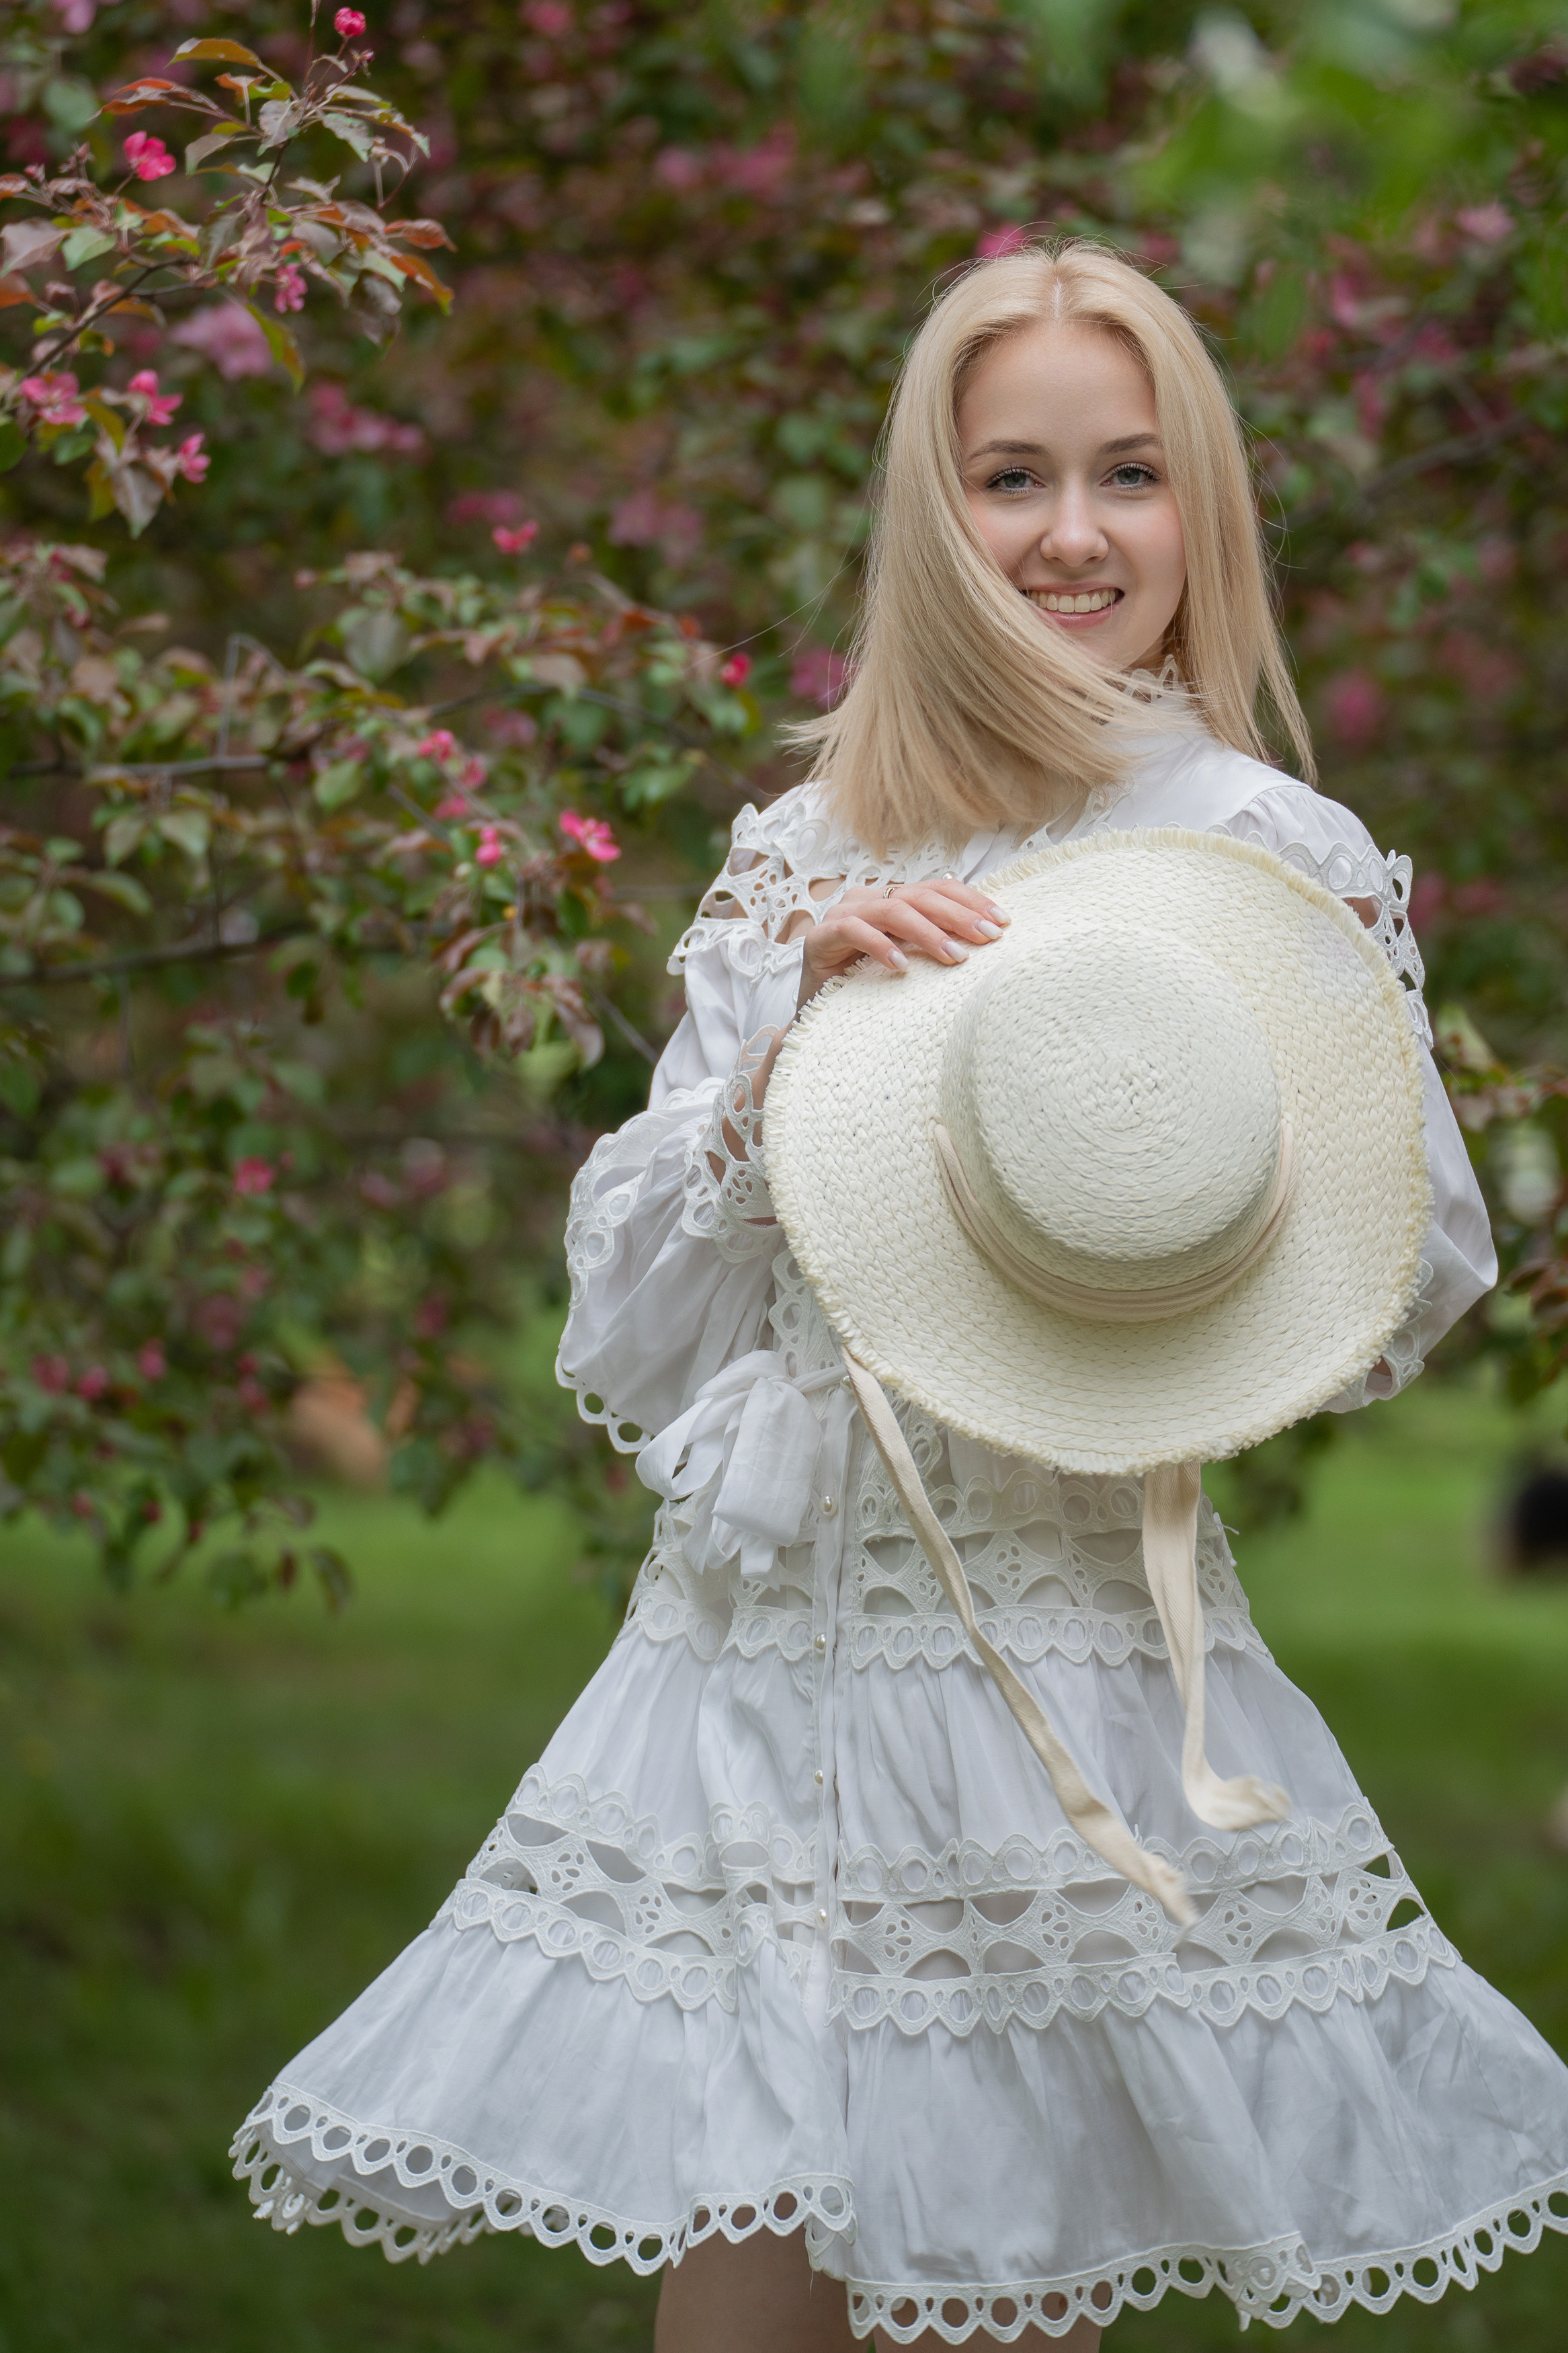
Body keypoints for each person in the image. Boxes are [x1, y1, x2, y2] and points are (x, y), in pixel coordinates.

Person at [233, 245, 1568, 2346]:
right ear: (931, 514)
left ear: (1197, 510)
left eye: (1128, 474)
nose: (1070, 532)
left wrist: (1165, 1246)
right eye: (1009, 476)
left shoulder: (1259, 846)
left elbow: (1406, 1255)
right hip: (758, 1654)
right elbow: (633, 1319)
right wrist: (784, 1074)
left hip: (1046, 1658)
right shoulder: (810, 838)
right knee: (741, 2280)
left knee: (992, 2273)